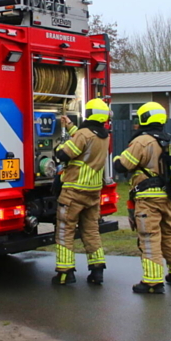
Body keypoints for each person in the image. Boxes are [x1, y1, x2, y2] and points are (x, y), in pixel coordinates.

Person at [113, 101, 171, 295]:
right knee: (169, 233)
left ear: (145, 118)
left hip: (147, 198)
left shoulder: (142, 141)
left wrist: (116, 160)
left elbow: (124, 165)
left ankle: (153, 281)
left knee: (149, 236)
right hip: (167, 195)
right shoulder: (168, 139)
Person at [51, 99, 111, 286]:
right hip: (92, 192)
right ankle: (97, 270)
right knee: (91, 230)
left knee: (65, 230)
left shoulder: (84, 135)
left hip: (74, 191)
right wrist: (69, 126)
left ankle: (65, 272)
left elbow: (64, 154)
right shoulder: (104, 136)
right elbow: (84, 141)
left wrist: (59, 146)